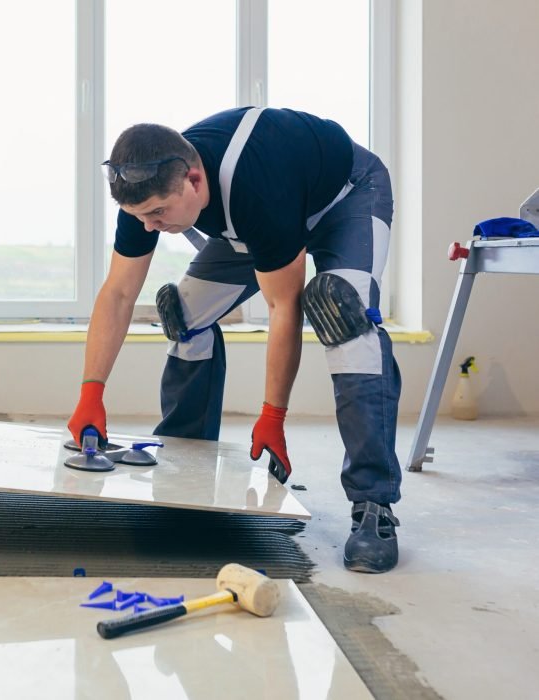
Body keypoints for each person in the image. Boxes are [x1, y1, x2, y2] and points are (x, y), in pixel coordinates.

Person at [66, 106, 403, 574]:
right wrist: (91, 392)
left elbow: (285, 307)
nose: (149, 226)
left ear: (195, 181)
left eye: (159, 213)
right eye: (140, 216)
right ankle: (185, 463)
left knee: (342, 315)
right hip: (263, 218)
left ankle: (374, 505)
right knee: (183, 314)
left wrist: (273, 417)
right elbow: (120, 292)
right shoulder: (146, 189)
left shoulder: (256, 187)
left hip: (346, 197)